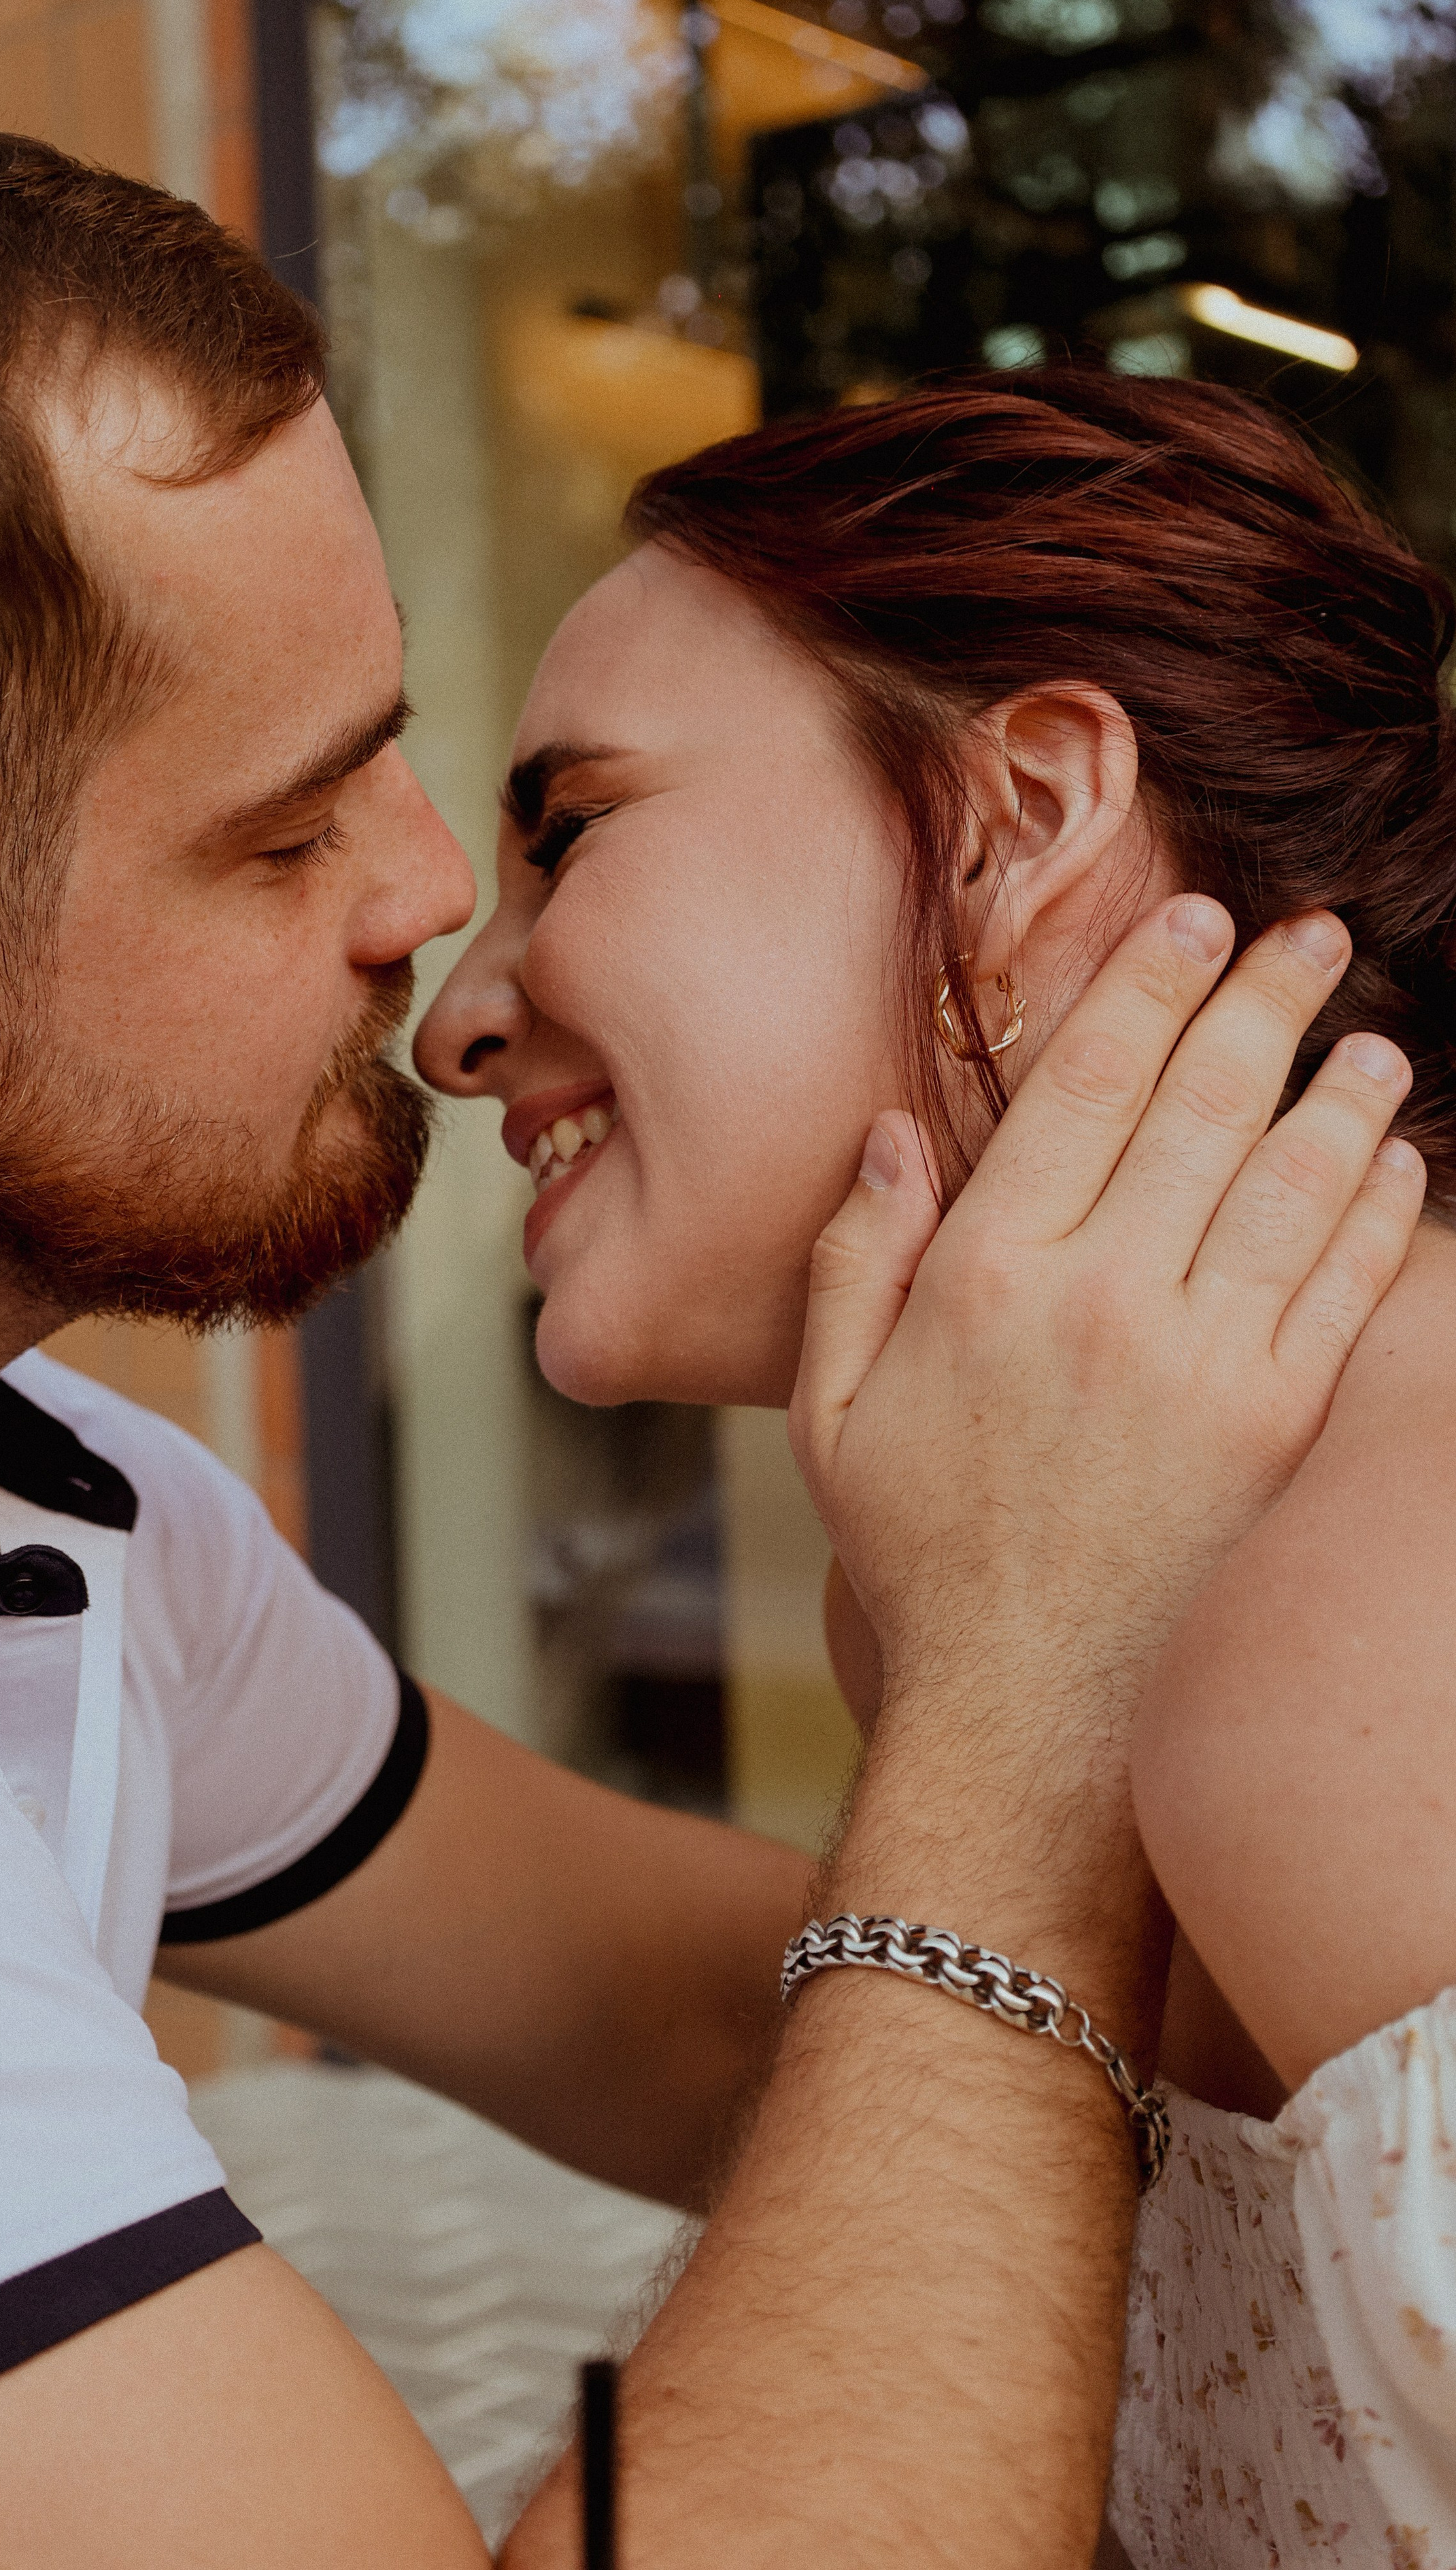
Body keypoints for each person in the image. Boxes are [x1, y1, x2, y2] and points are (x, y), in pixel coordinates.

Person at [0, 79, 1418, 2569]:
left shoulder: (42, 1506)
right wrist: (1021, 1684)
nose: (428, 938)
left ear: (1037, 823)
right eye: (291, 826)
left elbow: (675, 2015)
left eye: (536, 805)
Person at [416, 370, 1456, 2565]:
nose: (457, 1019)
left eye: (570, 829)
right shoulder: (970, 1594)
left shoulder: (1363, 1609)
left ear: (1021, 814)